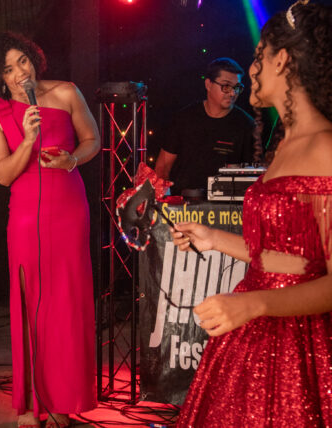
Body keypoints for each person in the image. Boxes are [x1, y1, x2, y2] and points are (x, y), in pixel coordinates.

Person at [169, 2, 332, 426]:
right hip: (252, 335)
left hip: (300, 343)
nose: (252, 70)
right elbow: (289, 258)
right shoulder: (284, 144)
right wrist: (213, 238)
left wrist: (254, 304)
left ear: (282, 60)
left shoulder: (326, 147)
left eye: (259, 56)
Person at [0, 32, 99, 427]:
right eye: (8, 69)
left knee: (65, 304)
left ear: (34, 59)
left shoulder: (67, 92)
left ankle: (62, 402)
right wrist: (28, 140)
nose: (19, 73)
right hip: (27, 215)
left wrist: (72, 160)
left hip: (69, 210)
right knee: (31, 303)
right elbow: (3, 175)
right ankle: (32, 404)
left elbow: (92, 139)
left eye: (23, 62)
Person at [155, 57, 257, 196]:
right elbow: (163, 166)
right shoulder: (183, 119)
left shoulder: (246, 125)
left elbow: (252, 175)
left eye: (237, 88)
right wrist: (164, 199)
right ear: (208, 84)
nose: (233, 93)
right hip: (182, 203)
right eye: (226, 86)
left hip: (226, 205)